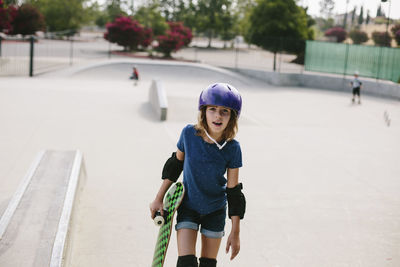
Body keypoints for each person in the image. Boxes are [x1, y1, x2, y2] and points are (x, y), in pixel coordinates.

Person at [150, 83, 246, 267]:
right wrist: (158, 198)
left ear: (232, 117)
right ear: (204, 112)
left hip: (215, 211)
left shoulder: (233, 148)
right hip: (188, 206)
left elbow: (234, 192)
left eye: (224, 111)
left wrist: (235, 231)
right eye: (212, 109)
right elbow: (175, 165)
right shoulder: (189, 134)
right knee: (186, 263)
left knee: (208, 264)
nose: (218, 115)